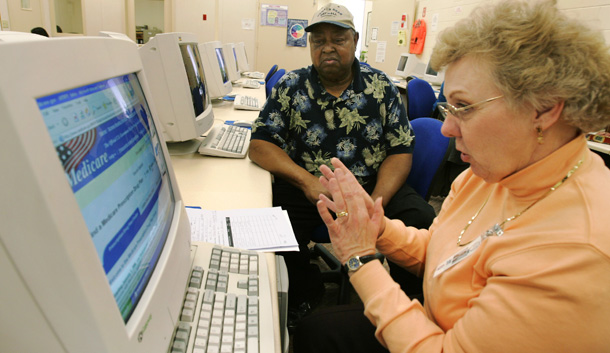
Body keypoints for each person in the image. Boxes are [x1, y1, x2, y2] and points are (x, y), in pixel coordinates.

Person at [294, 0, 610, 352]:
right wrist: (378, 229)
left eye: (464, 107)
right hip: (440, 315)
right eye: (449, 107)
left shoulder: (575, 251)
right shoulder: (496, 169)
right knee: (313, 331)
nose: (446, 127)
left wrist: (360, 260)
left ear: (545, 108)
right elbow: (443, 250)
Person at [248, 3, 435, 327]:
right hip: (311, 186)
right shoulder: (290, 86)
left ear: (355, 39)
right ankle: (307, 290)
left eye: (338, 38)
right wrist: (306, 182)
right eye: (318, 40)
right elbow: (260, 144)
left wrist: (376, 202)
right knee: (269, 225)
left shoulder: (381, 87)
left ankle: (407, 308)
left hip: (372, 184)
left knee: (420, 218)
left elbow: (401, 149)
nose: (328, 47)